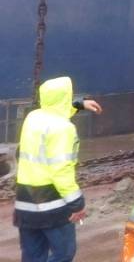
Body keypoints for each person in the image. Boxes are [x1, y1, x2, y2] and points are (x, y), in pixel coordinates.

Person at [15, 76, 103, 262]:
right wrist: (77, 204)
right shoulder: (64, 128)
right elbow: (61, 170)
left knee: (32, 256)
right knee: (64, 253)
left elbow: (55, 109)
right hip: (52, 204)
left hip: (25, 203)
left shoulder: (33, 117)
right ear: (66, 97)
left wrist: (79, 104)